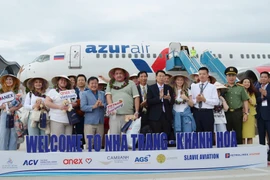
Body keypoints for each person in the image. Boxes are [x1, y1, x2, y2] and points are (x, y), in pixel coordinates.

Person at [105, 67, 140, 135]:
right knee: (114, 135)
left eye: (121, 73)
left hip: (128, 114)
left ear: (124, 75)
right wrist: (112, 108)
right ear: (114, 76)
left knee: (127, 136)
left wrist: (136, 111)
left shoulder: (131, 83)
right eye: (117, 73)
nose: (119, 75)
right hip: (115, 115)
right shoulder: (110, 83)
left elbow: (136, 97)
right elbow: (108, 96)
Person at [224, 66, 249, 145]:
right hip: (226, 113)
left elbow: (245, 101)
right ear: (226, 77)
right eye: (229, 76)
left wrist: (246, 113)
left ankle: (239, 153)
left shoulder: (240, 88)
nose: (231, 78)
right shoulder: (223, 88)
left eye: (233, 75)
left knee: (238, 133)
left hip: (237, 113)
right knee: (226, 133)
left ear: (236, 76)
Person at [190, 67, 219, 134]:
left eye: (204, 74)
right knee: (197, 132)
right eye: (200, 74)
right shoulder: (194, 86)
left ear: (207, 75)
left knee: (208, 133)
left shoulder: (212, 87)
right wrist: (196, 100)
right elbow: (192, 101)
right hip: (196, 112)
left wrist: (205, 100)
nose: (201, 76)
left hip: (207, 112)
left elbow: (216, 101)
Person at [81, 77, 106, 149]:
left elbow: (107, 105)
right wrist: (93, 106)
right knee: (89, 144)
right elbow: (83, 107)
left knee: (99, 144)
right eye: (92, 83)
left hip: (100, 122)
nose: (94, 85)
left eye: (95, 83)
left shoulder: (102, 93)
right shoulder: (85, 94)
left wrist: (102, 105)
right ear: (88, 85)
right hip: (89, 123)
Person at [147, 70, 175, 136]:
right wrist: (159, 98)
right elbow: (149, 101)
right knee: (156, 135)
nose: (161, 78)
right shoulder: (151, 88)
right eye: (160, 76)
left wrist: (169, 98)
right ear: (156, 77)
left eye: (163, 76)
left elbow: (172, 102)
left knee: (166, 134)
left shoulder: (169, 88)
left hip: (166, 115)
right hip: (155, 116)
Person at [0, 74, 22, 150]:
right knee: (3, 133)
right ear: (4, 81)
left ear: (14, 81)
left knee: (14, 133)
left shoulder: (18, 91)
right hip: (4, 113)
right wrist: (3, 106)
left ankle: (12, 152)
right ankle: (2, 152)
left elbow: (22, 103)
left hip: (15, 114)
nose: (8, 81)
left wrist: (14, 108)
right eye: (7, 79)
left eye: (10, 79)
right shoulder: (1, 91)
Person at [255, 71, 270, 161]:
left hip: (268, 115)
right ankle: (262, 155)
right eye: (261, 77)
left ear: (268, 79)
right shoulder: (257, 88)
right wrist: (261, 97)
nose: (263, 78)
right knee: (261, 135)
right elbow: (255, 100)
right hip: (260, 115)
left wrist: (266, 95)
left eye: (265, 77)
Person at [239, 78, 257, 144]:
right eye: (245, 82)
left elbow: (254, 102)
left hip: (250, 115)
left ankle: (250, 150)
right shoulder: (239, 91)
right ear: (242, 83)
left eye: (248, 82)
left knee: (250, 135)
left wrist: (246, 96)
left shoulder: (251, 93)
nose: (247, 83)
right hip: (241, 114)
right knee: (242, 135)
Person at [74, 74, 88, 148]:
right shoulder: (73, 91)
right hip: (77, 115)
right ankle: (79, 147)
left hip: (88, 115)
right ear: (76, 82)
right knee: (78, 131)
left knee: (87, 132)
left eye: (82, 80)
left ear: (85, 82)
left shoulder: (89, 91)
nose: (81, 81)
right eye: (79, 80)